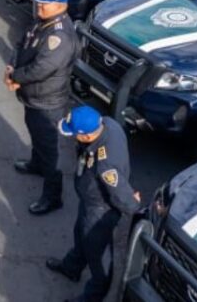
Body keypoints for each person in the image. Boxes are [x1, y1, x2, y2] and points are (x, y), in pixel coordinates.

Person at [46, 105, 141, 302]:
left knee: (97, 259)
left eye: (75, 135)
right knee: (80, 236)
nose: (72, 138)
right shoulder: (108, 124)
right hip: (89, 202)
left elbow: (123, 197)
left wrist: (133, 204)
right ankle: (71, 267)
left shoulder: (105, 165)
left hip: (99, 212)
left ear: (87, 136)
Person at [5, 0, 77, 216]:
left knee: (50, 150)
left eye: (45, 4)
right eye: (40, 3)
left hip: (47, 101)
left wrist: (16, 77)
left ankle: (52, 196)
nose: (39, 7)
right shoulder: (41, 20)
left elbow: (41, 68)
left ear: (60, 6)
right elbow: (22, 43)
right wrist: (12, 64)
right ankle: (36, 164)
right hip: (34, 96)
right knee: (35, 134)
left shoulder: (60, 36)